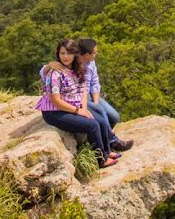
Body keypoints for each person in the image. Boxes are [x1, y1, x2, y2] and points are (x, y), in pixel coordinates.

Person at [35, 38, 120, 168]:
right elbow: (55, 100)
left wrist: (84, 108)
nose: (65, 57)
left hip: (72, 105)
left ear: (75, 53)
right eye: (62, 53)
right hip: (54, 111)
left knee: (101, 119)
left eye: (69, 53)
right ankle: (100, 159)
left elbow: (84, 90)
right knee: (92, 125)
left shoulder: (77, 68)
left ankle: (107, 151)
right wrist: (78, 111)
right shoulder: (55, 72)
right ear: (58, 54)